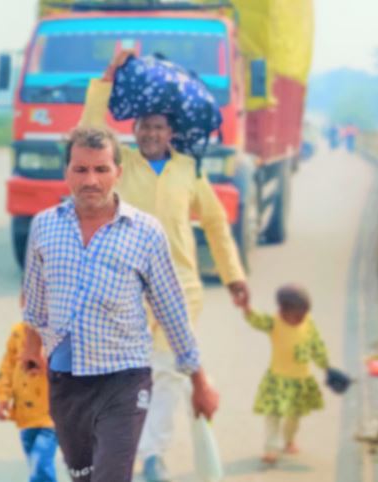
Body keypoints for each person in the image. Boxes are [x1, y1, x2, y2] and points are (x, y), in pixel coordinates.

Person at [78, 50, 248, 482]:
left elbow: (215, 224)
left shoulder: (189, 171)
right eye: (145, 126)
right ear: (134, 130)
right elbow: (88, 132)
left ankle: (153, 456)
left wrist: (233, 276)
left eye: (159, 127)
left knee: (169, 375)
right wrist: (107, 77)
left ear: (170, 132)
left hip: (180, 289)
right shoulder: (118, 166)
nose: (152, 133)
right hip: (124, 290)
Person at [21, 126, 219, 482]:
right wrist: (30, 349)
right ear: (66, 172)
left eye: (101, 169)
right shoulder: (44, 227)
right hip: (67, 382)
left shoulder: (145, 232)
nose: (91, 180)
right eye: (81, 169)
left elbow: (172, 311)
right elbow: (35, 304)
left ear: (118, 173)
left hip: (125, 380)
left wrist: (199, 381)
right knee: (83, 476)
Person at [234, 283, 329, 464]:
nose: (300, 318)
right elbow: (256, 320)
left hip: (300, 381)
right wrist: (246, 307)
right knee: (273, 415)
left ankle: (289, 440)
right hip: (277, 380)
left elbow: (317, 346)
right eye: (296, 315)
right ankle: (271, 448)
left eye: (303, 315)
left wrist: (326, 367)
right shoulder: (274, 322)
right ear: (282, 311)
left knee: (294, 417)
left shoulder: (308, 323)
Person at [0, 307, 57, 482]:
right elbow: (7, 367)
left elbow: (67, 373)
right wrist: (2, 397)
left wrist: (44, 364)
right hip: (25, 415)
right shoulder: (17, 332)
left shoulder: (56, 334)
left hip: (50, 416)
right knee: (35, 463)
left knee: (40, 462)